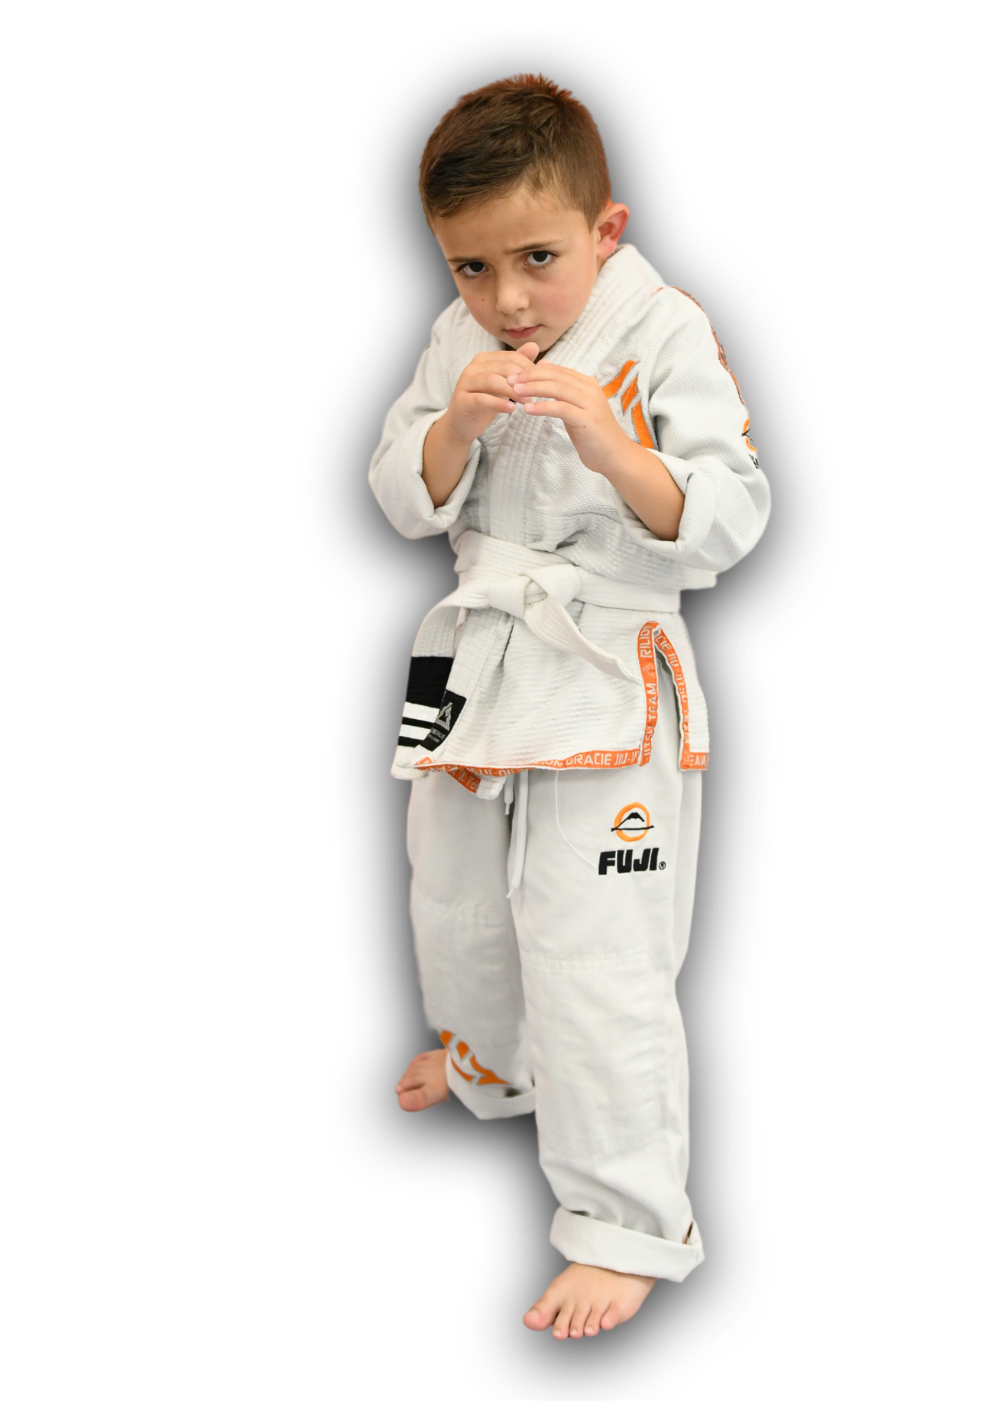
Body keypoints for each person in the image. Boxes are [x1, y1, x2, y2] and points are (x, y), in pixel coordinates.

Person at [369, 73, 771, 1343]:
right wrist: (452, 432)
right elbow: (400, 489)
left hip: (605, 665)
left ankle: (626, 1225)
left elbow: (734, 517)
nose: (507, 299)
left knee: (595, 950)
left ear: (604, 229)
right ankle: (490, 1063)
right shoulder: (459, 339)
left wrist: (614, 449)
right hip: (475, 654)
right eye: (472, 266)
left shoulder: (662, 328)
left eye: (538, 258)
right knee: (453, 894)